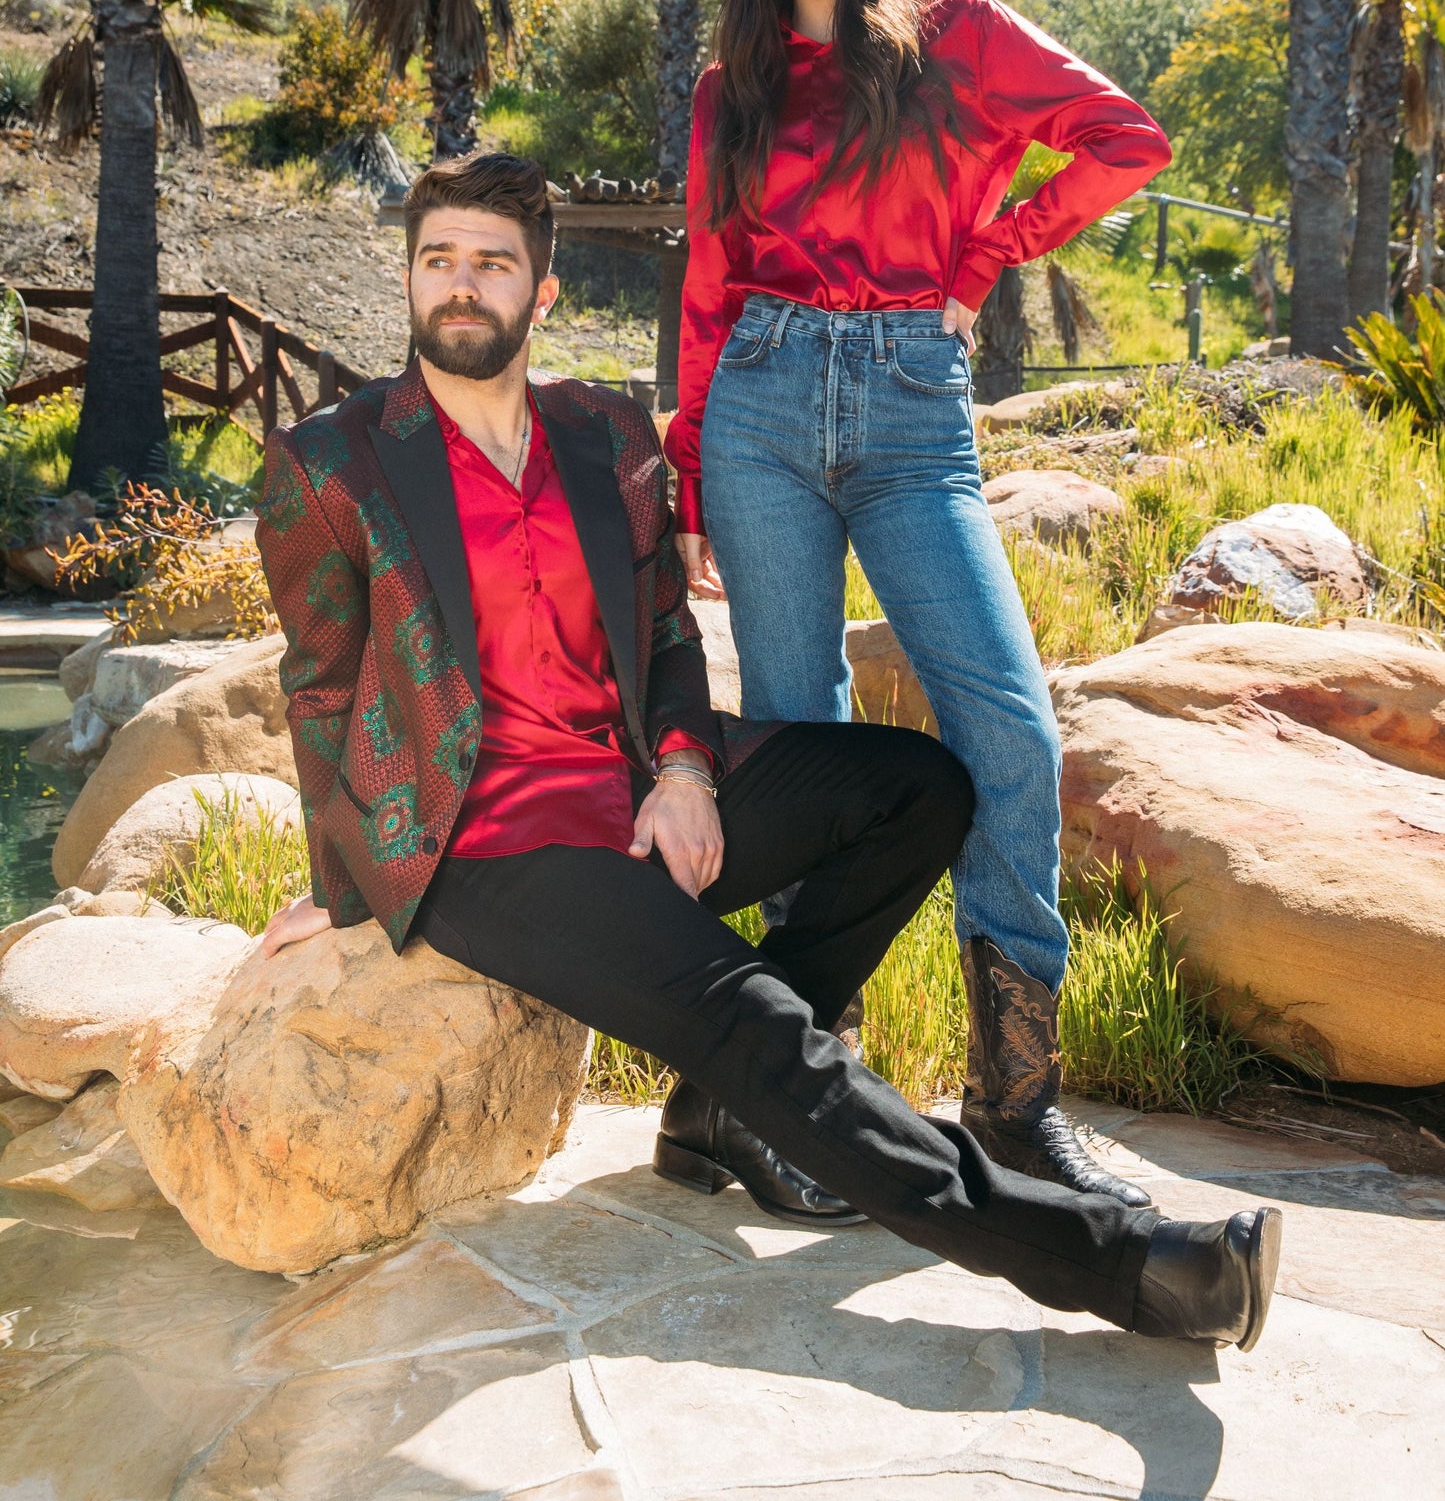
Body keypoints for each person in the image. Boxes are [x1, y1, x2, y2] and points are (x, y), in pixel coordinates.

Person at [255, 147, 1279, 1354]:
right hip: (495, 845)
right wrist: (347, 886)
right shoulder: (332, 461)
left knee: (916, 787)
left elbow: (667, 633)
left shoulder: (602, 429)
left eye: (492, 261)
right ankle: (1129, 1268)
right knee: (757, 1022)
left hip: (632, 788)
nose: (461, 285)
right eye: (439, 261)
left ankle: (716, 1109)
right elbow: (321, 687)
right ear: (411, 280)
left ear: (539, 289)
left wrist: (684, 768)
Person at [667, 0, 1174, 1206]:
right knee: (800, 745)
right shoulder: (731, 88)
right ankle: (772, 1098)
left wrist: (981, 258)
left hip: (908, 414)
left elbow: (1128, 141)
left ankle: (1011, 1103)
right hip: (760, 403)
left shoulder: (958, 38)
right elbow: (708, 282)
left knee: (1007, 727)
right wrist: (695, 463)